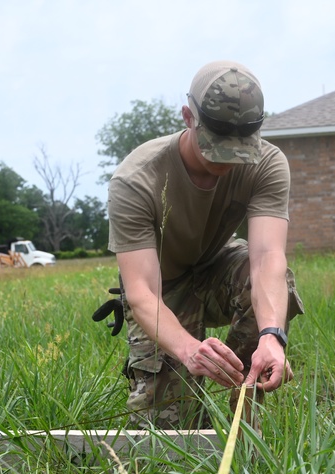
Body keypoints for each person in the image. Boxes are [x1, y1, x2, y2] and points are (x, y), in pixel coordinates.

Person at [104, 60, 304, 429]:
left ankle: (245, 412)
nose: (228, 159)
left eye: (239, 147)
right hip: (162, 289)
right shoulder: (136, 180)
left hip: (217, 267)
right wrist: (189, 350)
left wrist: (271, 336)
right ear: (188, 116)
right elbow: (142, 292)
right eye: (217, 145)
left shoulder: (268, 164)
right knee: (168, 437)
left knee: (271, 280)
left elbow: (266, 259)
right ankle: (183, 403)